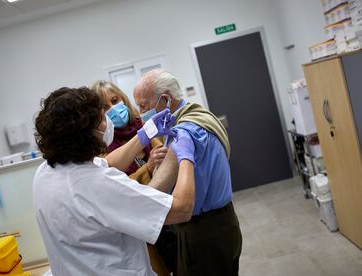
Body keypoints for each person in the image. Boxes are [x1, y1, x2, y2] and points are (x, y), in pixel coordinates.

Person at [33, 86, 196, 276]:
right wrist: (185, 157)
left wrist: (145, 134)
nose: (108, 121)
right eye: (102, 118)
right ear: (86, 134)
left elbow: (108, 162)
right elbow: (182, 209)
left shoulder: (46, 171)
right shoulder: (97, 185)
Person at [133, 69, 243, 276]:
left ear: (165, 99)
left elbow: (157, 188)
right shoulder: (201, 115)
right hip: (225, 223)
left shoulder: (183, 132)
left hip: (202, 233)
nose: (140, 114)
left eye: (143, 105)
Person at [91, 80, 173, 275]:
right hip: (142, 221)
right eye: (104, 107)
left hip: (169, 207)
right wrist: (149, 167)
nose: (113, 109)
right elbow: (117, 187)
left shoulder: (146, 125)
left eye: (114, 100)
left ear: (123, 98)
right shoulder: (102, 148)